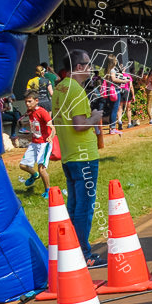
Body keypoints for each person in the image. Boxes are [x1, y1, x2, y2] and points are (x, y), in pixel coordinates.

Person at [52, 49, 105, 267]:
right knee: (84, 206)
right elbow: (80, 124)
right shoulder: (76, 90)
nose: (91, 68)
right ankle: (84, 253)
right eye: (88, 64)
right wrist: (95, 116)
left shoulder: (60, 87)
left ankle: (73, 249)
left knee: (74, 205)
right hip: (83, 156)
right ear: (80, 67)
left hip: (69, 156)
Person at [18, 90, 55, 198]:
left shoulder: (42, 112)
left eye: (29, 101)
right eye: (26, 102)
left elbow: (53, 127)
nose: (27, 104)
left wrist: (50, 136)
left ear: (36, 101)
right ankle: (34, 175)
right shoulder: (29, 112)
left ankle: (48, 190)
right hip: (34, 143)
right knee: (23, 165)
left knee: (41, 168)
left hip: (44, 143)